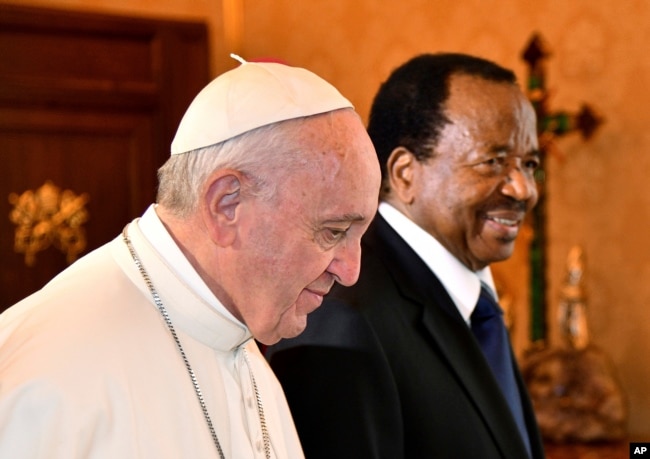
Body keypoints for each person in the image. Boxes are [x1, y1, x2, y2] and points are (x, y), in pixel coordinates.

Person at [0, 58, 381, 458]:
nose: (350, 271)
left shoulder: (241, 345)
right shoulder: (48, 379)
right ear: (226, 204)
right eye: (333, 232)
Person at [267, 53, 546, 459]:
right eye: (494, 162)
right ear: (404, 174)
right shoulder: (344, 317)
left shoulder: (476, 305)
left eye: (530, 164)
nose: (524, 189)